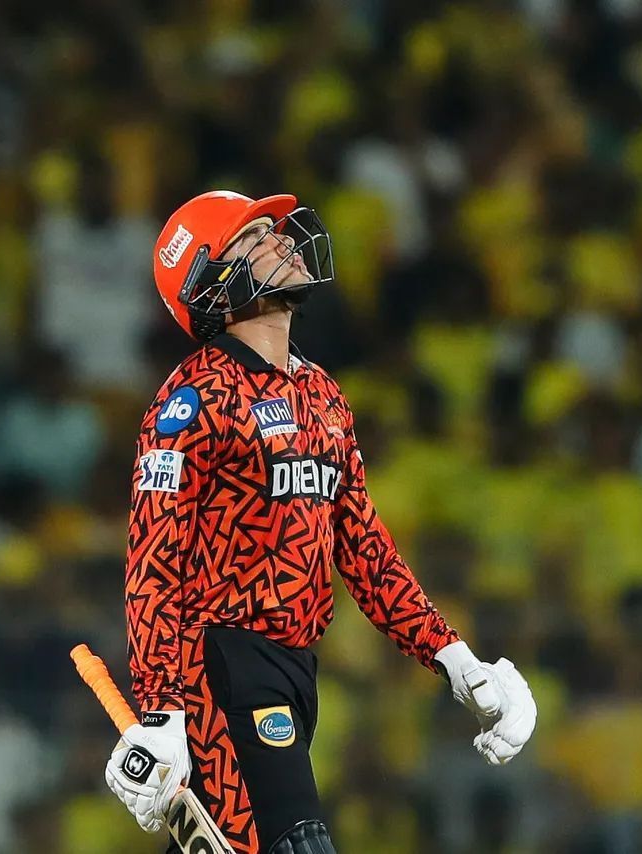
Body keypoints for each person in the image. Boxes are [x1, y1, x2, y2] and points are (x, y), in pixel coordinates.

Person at [104, 190, 537, 854]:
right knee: (298, 842)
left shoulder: (321, 393)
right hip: (222, 664)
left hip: (295, 670)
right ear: (213, 281)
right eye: (255, 238)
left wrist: (454, 657)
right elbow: (153, 569)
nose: (281, 240)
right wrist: (162, 709)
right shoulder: (192, 403)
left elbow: (362, 545)